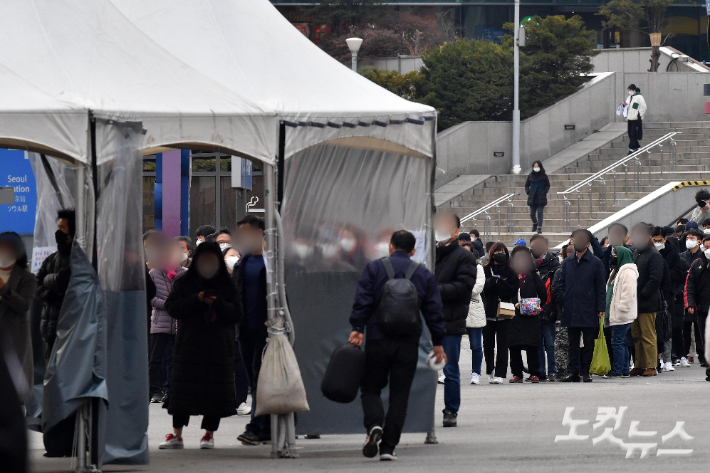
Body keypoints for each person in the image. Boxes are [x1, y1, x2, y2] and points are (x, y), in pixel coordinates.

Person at [349, 230, 446, 461]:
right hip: (408, 343)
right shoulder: (422, 273)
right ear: (413, 251)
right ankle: (388, 448)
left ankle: (374, 425)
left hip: (378, 339)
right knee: (399, 395)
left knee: (371, 388)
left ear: (390, 247)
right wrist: (438, 343)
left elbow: (362, 300)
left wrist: (357, 328)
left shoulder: (374, 269)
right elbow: (434, 310)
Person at [160, 242, 242, 450]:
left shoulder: (228, 284)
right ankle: (177, 434)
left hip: (218, 348)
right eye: (204, 261)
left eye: (212, 261)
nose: (208, 265)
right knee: (182, 392)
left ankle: (209, 434)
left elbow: (237, 313)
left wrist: (218, 303)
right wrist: (196, 300)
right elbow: (172, 307)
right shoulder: (185, 282)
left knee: (215, 393)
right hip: (189, 347)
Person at [434, 212, 476, 428]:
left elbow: (463, 288)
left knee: (449, 370)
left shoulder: (464, 257)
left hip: (449, 322)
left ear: (456, 231)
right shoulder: (430, 254)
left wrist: (431, 290)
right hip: (424, 321)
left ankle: (451, 409)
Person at [233, 215, 271, 445]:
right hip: (245, 328)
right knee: (253, 378)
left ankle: (255, 427)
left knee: (260, 377)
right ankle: (264, 427)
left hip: (267, 329)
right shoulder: (243, 262)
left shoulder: (273, 262)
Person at [557, 229, 606, 383]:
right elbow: (561, 283)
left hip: (589, 307)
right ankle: (574, 372)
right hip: (571, 307)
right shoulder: (568, 262)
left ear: (587, 243)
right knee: (572, 343)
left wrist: (601, 308)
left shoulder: (596, 262)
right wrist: (566, 298)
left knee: (589, 342)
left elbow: (600, 287)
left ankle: (586, 371)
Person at [148, 237, 187, 404]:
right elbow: (152, 298)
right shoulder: (154, 273)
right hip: (159, 322)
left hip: (178, 324)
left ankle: (172, 391)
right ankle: (153, 390)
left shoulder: (184, 274)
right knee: (156, 359)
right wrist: (170, 305)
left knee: (174, 359)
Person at [0, 232, 37, 395]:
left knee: (13, 392)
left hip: (14, 342)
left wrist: (4, 289)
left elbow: (24, 305)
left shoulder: (27, 278)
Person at [36, 209, 75, 362]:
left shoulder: (79, 259)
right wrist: (49, 293)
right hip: (50, 331)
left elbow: (63, 281)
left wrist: (49, 280)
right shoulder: (52, 259)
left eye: (62, 228)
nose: (58, 232)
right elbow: (37, 284)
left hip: (70, 330)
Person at [482, 243, 519, 384]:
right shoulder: (485, 270)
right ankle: (490, 369)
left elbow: (513, 290)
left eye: (503, 251)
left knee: (503, 344)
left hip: (505, 311)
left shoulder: (511, 271)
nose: (500, 253)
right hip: (488, 312)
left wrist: (501, 283)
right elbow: (483, 288)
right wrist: (492, 281)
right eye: (497, 251)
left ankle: (500, 373)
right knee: (488, 344)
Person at [508, 246, 547, 383]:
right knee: (514, 345)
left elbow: (543, 294)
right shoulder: (510, 276)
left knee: (532, 346)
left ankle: (534, 373)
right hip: (514, 315)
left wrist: (534, 305)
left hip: (530, 316)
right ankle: (517, 373)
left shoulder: (533, 276)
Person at [630, 223, 664, 377]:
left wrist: (642, 294)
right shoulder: (636, 253)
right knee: (636, 335)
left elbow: (655, 279)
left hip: (647, 302)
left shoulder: (654, 255)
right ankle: (640, 364)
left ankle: (651, 365)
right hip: (634, 302)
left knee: (648, 335)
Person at [603, 246, 638, 378]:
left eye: (615, 255)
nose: (613, 257)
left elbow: (628, 292)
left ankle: (617, 369)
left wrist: (621, 307)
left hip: (621, 313)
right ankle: (623, 369)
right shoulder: (617, 271)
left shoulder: (627, 272)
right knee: (620, 341)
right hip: (615, 313)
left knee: (617, 341)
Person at [652, 226, 682, 372]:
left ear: (665, 239)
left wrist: (662, 272)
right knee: (652, 328)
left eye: (659, 240)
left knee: (666, 328)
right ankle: (655, 358)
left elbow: (678, 273)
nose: (657, 243)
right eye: (654, 240)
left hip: (667, 295)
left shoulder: (672, 254)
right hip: (651, 296)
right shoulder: (647, 253)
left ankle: (667, 358)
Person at [530, 234, 560, 381]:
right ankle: (540, 371)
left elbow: (556, 287)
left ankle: (552, 370)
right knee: (538, 344)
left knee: (550, 343)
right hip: (532, 309)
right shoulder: (528, 263)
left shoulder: (553, 263)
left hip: (548, 308)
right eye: (533, 246)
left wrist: (551, 306)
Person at [683, 234, 710, 369]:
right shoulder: (697, 263)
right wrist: (690, 304)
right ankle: (705, 358)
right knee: (702, 333)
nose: (707, 250)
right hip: (702, 306)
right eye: (706, 247)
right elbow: (689, 285)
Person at [463, 242, 485, 385]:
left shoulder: (478, 268)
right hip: (456, 309)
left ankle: (475, 373)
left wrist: (459, 290)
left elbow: (478, 287)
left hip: (474, 309)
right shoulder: (453, 267)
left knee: (476, 345)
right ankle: (447, 372)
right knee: (450, 344)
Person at [551, 244, 570, 378]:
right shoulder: (561, 271)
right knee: (561, 344)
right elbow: (555, 292)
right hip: (562, 313)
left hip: (579, 314)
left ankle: (575, 368)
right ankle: (562, 370)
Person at [525, 160, 550, 234]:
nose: (536, 168)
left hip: (541, 196)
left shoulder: (544, 176)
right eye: (534, 166)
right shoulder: (530, 175)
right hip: (532, 196)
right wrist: (528, 191)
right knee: (532, 214)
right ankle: (535, 223)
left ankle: (539, 227)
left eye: (537, 166)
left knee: (540, 213)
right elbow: (526, 185)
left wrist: (544, 191)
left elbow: (547, 185)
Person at [624, 84, 647, 154]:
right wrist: (624, 105)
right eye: (629, 90)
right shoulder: (629, 97)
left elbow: (644, 107)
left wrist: (639, 115)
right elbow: (627, 105)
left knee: (633, 133)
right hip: (630, 118)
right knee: (630, 133)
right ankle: (637, 147)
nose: (629, 91)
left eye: (630, 90)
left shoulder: (639, 97)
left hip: (636, 118)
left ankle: (631, 148)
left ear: (634, 90)